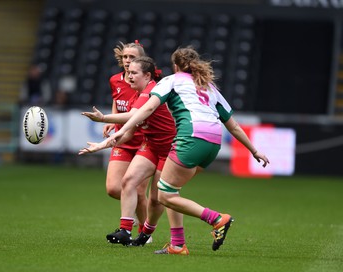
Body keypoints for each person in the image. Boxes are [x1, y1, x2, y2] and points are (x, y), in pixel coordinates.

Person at [80, 46, 270, 255]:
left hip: (189, 139)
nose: (130, 74)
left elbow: (147, 109)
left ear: (175, 66)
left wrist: (109, 122)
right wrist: (254, 151)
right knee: (168, 190)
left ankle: (216, 219)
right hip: (212, 144)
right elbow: (232, 125)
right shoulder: (209, 87)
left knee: (165, 194)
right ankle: (176, 244)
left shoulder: (170, 81)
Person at [81, 56, 176, 246]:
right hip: (150, 146)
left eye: (134, 73)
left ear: (148, 75)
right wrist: (102, 146)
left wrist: (103, 119)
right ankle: (125, 230)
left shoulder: (151, 91)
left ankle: (145, 233)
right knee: (128, 181)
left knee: (157, 199)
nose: (129, 76)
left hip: (169, 149)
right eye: (128, 72)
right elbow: (128, 133)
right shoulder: (136, 95)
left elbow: (132, 116)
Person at [98, 41, 150, 236]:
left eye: (132, 57)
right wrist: (112, 119)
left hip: (144, 142)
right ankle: (133, 208)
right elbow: (116, 99)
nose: (128, 61)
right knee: (113, 188)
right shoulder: (115, 80)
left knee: (138, 191)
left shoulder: (147, 81)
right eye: (125, 57)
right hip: (124, 140)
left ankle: (144, 232)